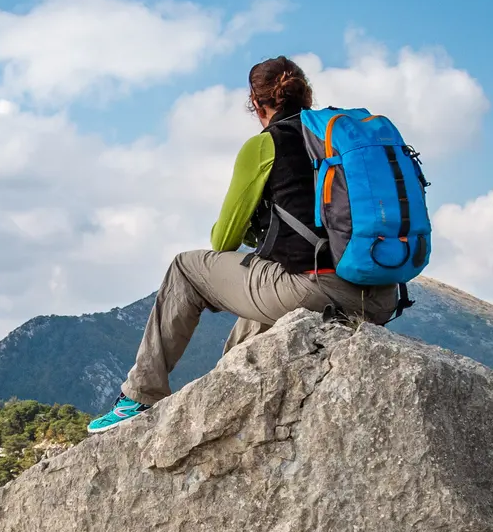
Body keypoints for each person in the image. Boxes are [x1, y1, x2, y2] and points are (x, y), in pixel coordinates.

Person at [86, 56, 399, 434]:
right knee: (266, 275)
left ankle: (140, 394)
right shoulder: (336, 143)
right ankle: (228, 387)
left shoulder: (266, 145)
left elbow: (223, 240)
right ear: (306, 94)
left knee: (186, 267)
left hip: (319, 290)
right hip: (381, 294)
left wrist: (254, 221)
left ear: (256, 102)